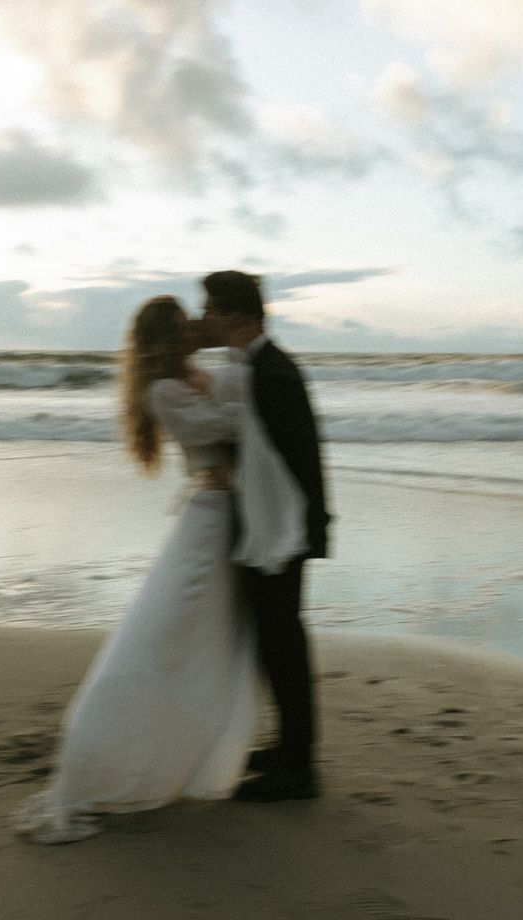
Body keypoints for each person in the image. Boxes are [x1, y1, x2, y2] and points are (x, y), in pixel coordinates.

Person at [14, 295, 258, 843]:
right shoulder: (164, 390)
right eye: (181, 326)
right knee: (169, 634)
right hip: (207, 519)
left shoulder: (196, 375)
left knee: (208, 642)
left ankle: (189, 751)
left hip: (227, 516)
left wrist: (230, 360)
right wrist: (241, 360)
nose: (193, 328)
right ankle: (113, 749)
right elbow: (230, 425)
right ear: (163, 340)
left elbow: (237, 419)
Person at [201, 270, 331, 802]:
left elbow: (303, 457)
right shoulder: (248, 367)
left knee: (285, 646)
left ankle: (299, 768)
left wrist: (309, 530)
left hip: (281, 532)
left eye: (210, 307)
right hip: (267, 527)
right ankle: (287, 749)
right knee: (274, 644)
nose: (204, 316)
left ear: (238, 315)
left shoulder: (273, 371)